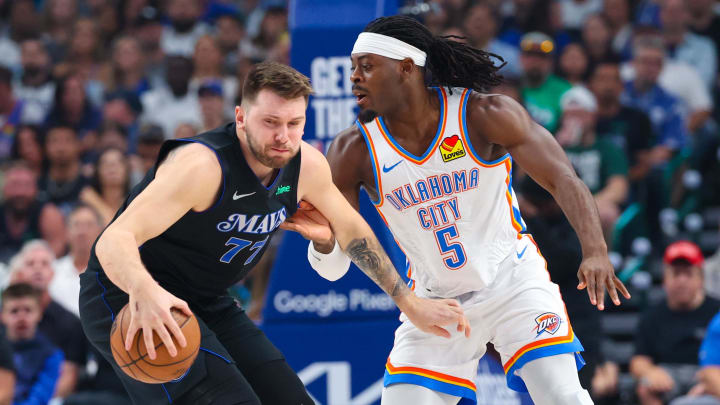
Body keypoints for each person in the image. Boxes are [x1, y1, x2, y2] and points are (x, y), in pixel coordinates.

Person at [79, 61, 468, 404]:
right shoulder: (201, 166)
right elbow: (115, 238)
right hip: (126, 293)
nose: (283, 135)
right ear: (241, 117)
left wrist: (409, 301)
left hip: (206, 298)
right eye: (270, 122)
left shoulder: (305, 165)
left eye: (294, 123)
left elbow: (351, 228)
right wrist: (144, 292)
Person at [291, 15, 630, 405]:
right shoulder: (353, 151)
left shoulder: (483, 114)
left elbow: (563, 179)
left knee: (562, 395)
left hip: (513, 281)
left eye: (366, 66)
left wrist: (595, 250)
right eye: (352, 68)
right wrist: (322, 245)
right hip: (433, 301)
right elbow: (334, 269)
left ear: (405, 68)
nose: (354, 77)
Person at [630, 241, 720, 405]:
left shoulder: (716, 312)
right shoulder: (652, 315)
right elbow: (638, 361)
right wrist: (650, 372)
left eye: (688, 273)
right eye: (676, 273)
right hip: (668, 377)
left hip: (708, 374)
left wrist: (712, 383)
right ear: (665, 278)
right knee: (645, 387)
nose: (681, 280)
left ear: (701, 278)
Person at [10, 240, 89, 399]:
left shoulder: (71, 323)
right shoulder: (4, 319)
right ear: (19, 274)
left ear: (53, 273)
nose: (38, 268)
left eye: (44, 264)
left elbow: (68, 379)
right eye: (30, 264)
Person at [0, 283, 63, 405]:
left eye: (28, 310)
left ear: (39, 313)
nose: (21, 317)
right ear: (2, 315)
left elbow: (40, 398)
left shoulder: (51, 354)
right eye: (14, 311)